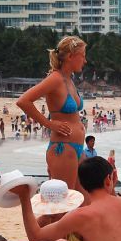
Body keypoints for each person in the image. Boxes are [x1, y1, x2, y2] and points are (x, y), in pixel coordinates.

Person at [16, 36, 87, 196]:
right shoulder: (55, 79)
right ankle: (35, 222)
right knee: (62, 204)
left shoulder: (69, 79)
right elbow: (23, 101)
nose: (85, 60)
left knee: (83, 200)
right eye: (82, 55)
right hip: (63, 149)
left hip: (76, 148)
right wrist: (49, 124)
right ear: (70, 56)